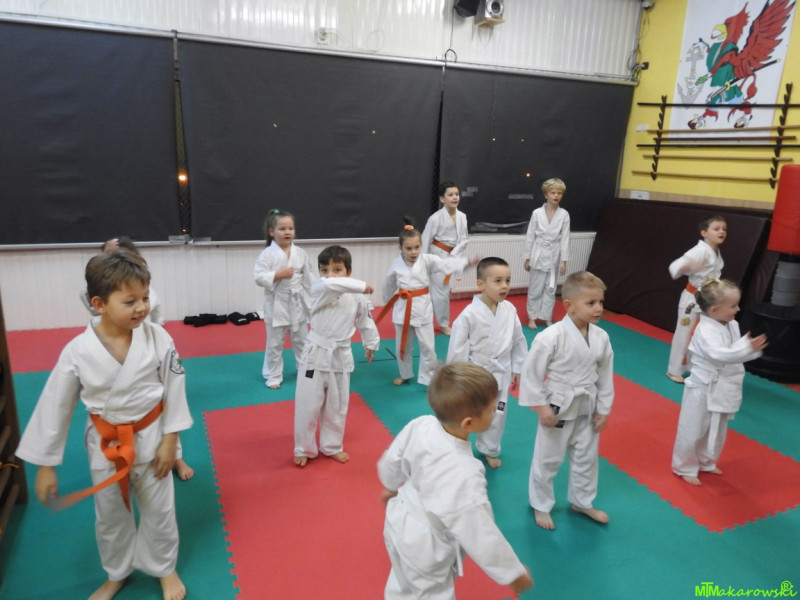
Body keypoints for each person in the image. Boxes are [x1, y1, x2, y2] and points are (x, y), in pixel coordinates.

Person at [16, 249, 193, 600]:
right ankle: (117, 572)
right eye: (130, 301)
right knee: (110, 515)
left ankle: (164, 568)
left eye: (145, 298)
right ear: (99, 304)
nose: (141, 308)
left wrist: (170, 441)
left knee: (159, 510)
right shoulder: (77, 350)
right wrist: (46, 465)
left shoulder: (159, 338)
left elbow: (175, 388)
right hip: (106, 443)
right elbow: (56, 404)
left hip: (153, 435)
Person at [378, 362, 534, 599]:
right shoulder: (465, 471)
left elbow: (394, 458)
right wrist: (512, 573)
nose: (496, 410)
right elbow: (479, 529)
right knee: (432, 594)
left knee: (402, 581)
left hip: (398, 520)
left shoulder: (421, 424)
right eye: (491, 409)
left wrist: (390, 486)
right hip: (426, 545)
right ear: (468, 423)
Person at [80, 236, 194, 481]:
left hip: (148, 352)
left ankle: (176, 456)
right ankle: (126, 456)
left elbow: (157, 313)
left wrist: (158, 332)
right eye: (108, 255)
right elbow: (94, 307)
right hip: (117, 350)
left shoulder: (146, 290)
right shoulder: (103, 292)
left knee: (165, 405)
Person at [519, 271, 613, 530]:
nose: (598, 308)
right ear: (569, 306)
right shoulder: (551, 336)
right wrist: (541, 407)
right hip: (558, 406)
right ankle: (541, 504)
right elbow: (531, 374)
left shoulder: (601, 337)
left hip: (588, 406)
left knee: (587, 458)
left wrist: (603, 409)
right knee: (548, 459)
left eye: (601, 302)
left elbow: (605, 376)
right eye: (591, 303)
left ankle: (582, 501)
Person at [671, 279, 767, 486]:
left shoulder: (732, 324)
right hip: (702, 387)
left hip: (724, 386)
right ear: (714, 310)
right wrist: (747, 348)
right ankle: (685, 466)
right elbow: (719, 354)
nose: (738, 309)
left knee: (717, 429)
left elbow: (733, 351)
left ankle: (706, 461)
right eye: (733, 306)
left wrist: (747, 347)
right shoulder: (704, 330)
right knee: (693, 429)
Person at [293, 245, 381, 467]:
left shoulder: (357, 297)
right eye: (324, 270)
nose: (329, 275)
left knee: (337, 407)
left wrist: (371, 342)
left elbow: (365, 319)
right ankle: (304, 448)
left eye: (337, 269)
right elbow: (331, 284)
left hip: (340, 357)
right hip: (315, 357)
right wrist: (362, 285)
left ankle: (332, 446)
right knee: (307, 406)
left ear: (348, 272)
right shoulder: (320, 288)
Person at [446, 257, 527, 469]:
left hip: (501, 372)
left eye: (508, 280)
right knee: (466, 414)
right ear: (481, 284)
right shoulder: (468, 315)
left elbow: (518, 340)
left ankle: (489, 448)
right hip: (475, 375)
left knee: (497, 414)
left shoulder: (510, 310)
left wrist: (517, 368)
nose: (505, 286)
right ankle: (455, 446)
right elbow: (457, 349)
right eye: (498, 281)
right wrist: (457, 378)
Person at [378, 217, 475, 386]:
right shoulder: (396, 265)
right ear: (400, 247)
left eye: (417, 247)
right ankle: (405, 374)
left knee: (428, 347)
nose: (413, 252)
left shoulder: (427, 260)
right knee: (402, 346)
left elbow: (445, 265)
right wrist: (387, 301)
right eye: (408, 248)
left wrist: (465, 263)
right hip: (403, 309)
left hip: (422, 308)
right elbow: (388, 285)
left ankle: (428, 378)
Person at [254, 209, 315, 389]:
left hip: (297, 304)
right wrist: (278, 274)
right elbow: (258, 277)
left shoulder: (300, 253)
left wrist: (320, 295)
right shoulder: (267, 254)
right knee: (274, 345)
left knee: (303, 341)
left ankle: (306, 371)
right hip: (277, 305)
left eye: (290, 228)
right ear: (271, 231)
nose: (287, 232)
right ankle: (273, 376)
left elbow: (310, 279)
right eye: (282, 229)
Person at [666, 215, 727, 383]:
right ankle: (674, 370)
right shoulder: (699, 251)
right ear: (704, 232)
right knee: (684, 335)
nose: (721, 231)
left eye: (724, 229)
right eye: (716, 228)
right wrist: (687, 266)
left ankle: (696, 368)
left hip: (709, 299)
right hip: (692, 300)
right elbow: (674, 267)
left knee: (703, 335)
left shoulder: (714, 251)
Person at [421, 181, 469, 335]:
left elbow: (464, 240)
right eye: (450, 195)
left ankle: (434, 321)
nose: (455, 197)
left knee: (441, 291)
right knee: (441, 292)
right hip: (437, 257)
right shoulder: (435, 218)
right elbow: (425, 240)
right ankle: (443, 324)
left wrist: (454, 255)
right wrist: (421, 264)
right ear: (442, 199)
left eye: (457, 194)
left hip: (452, 256)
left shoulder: (462, 217)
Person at [523, 178, 571, 329]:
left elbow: (565, 238)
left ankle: (546, 317)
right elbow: (530, 236)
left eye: (559, 193)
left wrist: (563, 261)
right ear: (546, 194)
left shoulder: (564, 214)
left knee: (550, 289)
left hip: (554, 255)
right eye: (553, 192)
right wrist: (527, 258)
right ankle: (532, 317)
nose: (556, 196)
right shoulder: (537, 213)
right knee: (535, 289)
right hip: (538, 253)